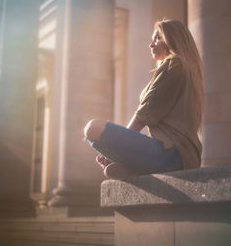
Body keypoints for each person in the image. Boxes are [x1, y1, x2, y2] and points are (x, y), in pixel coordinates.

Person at [83, 19, 204, 179]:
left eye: (158, 38)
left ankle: (140, 168)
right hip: (183, 157)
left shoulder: (174, 64)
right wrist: (114, 150)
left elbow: (145, 113)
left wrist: (115, 147)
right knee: (111, 165)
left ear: (173, 39)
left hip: (171, 155)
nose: (151, 44)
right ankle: (139, 171)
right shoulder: (186, 69)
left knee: (92, 128)